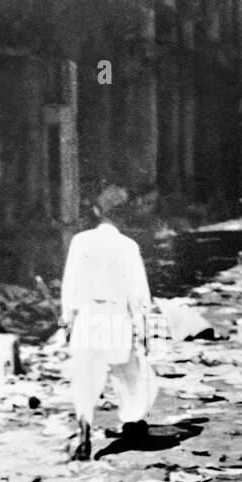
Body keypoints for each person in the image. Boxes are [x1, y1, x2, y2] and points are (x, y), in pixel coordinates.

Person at [59, 184, 158, 462]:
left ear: (96, 211)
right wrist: (143, 327)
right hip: (117, 317)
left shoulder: (80, 241)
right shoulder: (128, 246)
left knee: (85, 378)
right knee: (129, 372)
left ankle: (84, 425)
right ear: (125, 215)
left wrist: (67, 319)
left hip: (88, 316)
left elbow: (71, 284)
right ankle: (132, 421)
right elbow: (139, 294)